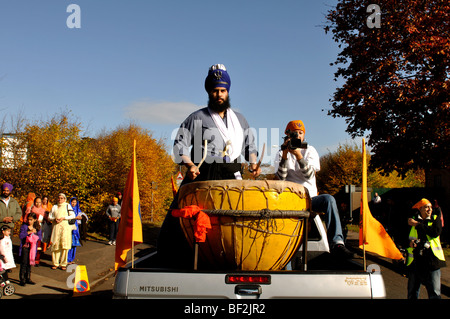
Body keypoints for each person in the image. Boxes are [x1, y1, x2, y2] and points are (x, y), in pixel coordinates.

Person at [158, 63, 261, 267]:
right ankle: (175, 258)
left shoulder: (239, 119)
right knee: (181, 217)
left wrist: (254, 164)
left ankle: (235, 255)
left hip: (232, 175)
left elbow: (251, 146)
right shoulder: (197, 117)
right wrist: (189, 164)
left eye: (222, 91)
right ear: (208, 91)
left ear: (228, 91)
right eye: (215, 91)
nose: (219, 95)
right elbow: (179, 144)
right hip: (203, 173)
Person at [274, 120, 354, 259]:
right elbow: (281, 178)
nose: (297, 136)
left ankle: (337, 242)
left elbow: (309, 175)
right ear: (287, 135)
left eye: (300, 133)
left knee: (329, 199)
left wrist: (298, 155)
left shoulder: (310, 150)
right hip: (290, 199)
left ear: (304, 135)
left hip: (309, 199)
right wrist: (286, 155)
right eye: (294, 133)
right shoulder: (281, 153)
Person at [406, 198, 446, 299]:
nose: (429, 209)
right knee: (412, 292)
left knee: (434, 293)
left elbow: (434, 232)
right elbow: (403, 236)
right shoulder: (412, 220)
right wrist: (409, 243)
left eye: (431, 207)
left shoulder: (435, 219)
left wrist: (417, 224)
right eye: (426, 207)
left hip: (432, 262)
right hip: (416, 261)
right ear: (420, 209)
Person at [48, 194, 75, 270]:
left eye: (61, 198)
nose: (60, 199)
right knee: (55, 244)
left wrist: (64, 218)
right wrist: (54, 218)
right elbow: (49, 216)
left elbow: (73, 215)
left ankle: (63, 263)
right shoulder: (55, 206)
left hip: (65, 227)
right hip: (56, 227)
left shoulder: (67, 206)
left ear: (64, 199)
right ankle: (55, 263)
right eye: (59, 198)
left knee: (65, 245)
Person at [18, 212, 42, 286]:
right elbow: (21, 236)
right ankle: (22, 279)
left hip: (32, 247)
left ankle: (28, 278)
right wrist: (28, 232)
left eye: (31, 220)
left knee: (30, 262)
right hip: (26, 247)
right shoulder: (24, 226)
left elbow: (40, 237)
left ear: (35, 220)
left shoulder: (37, 227)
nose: (29, 221)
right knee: (24, 263)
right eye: (28, 219)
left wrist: (34, 235)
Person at [29, 197, 46, 265]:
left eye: (39, 202)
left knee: (38, 243)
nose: (38, 204)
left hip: (40, 227)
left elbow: (46, 219)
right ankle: (31, 258)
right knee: (32, 242)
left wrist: (42, 220)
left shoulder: (43, 210)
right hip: (32, 227)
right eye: (36, 202)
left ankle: (37, 259)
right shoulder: (31, 209)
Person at [68, 197, 83, 264]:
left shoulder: (78, 210)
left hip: (76, 228)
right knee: (69, 243)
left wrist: (81, 217)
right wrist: (75, 218)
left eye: (75, 202)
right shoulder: (68, 209)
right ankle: (67, 259)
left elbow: (81, 216)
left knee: (74, 243)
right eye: (72, 202)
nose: (73, 204)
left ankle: (71, 258)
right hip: (70, 227)